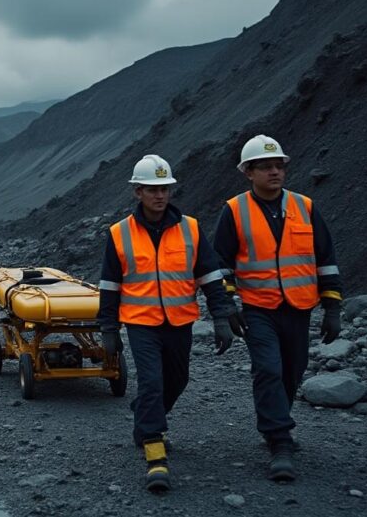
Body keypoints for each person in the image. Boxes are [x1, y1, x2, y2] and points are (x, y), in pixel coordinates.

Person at [96, 155, 237, 493]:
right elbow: (110, 286)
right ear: (137, 192)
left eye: (165, 188)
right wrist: (109, 330)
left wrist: (221, 317)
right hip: (141, 323)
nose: (160, 195)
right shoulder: (119, 234)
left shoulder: (190, 228)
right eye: (152, 189)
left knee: (177, 379)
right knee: (152, 382)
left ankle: (144, 416)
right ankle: (155, 455)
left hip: (179, 321)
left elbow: (209, 275)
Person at [212, 135, 343, 482]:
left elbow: (325, 260)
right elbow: (220, 263)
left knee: (292, 371)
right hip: (258, 307)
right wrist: (228, 304)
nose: (274, 171)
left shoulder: (305, 207)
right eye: (265, 167)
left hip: (299, 308)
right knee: (268, 369)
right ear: (248, 173)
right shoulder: (235, 210)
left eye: (278, 166)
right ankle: (280, 440)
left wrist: (332, 308)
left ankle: (274, 425)